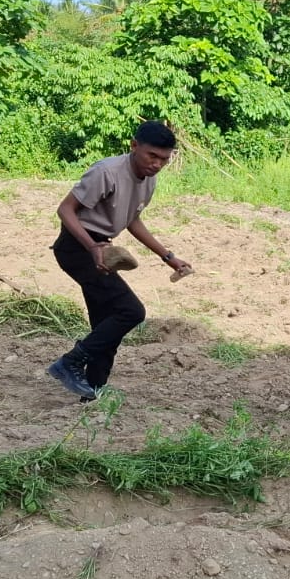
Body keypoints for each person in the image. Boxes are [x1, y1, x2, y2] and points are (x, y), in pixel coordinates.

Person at [48, 120, 191, 402]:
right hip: (77, 247)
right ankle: (69, 363)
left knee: (105, 324)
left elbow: (131, 219)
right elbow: (65, 210)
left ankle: (93, 391)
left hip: (101, 249)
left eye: (164, 159)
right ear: (134, 146)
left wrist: (168, 256)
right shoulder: (107, 172)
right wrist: (92, 248)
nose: (157, 164)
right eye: (152, 155)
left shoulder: (149, 181)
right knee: (131, 311)